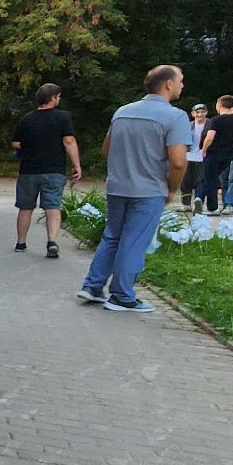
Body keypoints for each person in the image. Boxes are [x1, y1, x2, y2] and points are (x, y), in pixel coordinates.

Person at [77, 64, 190, 313]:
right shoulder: (176, 117)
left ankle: (93, 285)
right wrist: (172, 188)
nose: (183, 85)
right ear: (168, 84)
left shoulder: (122, 112)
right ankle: (122, 296)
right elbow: (179, 161)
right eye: (180, 80)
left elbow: (106, 150)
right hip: (149, 189)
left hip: (117, 185)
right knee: (134, 242)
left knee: (112, 236)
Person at [10, 83, 82, 256]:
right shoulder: (63, 117)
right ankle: (51, 242)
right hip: (53, 169)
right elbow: (69, 141)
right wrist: (76, 165)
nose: (59, 99)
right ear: (53, 98)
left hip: (28, 170)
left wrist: (28, 145)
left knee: (25, 207)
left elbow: (15, 142)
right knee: (52, 206)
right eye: (58, 96)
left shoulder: (27, 118)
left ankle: (21, 243)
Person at [196, 95, 233, 215]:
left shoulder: (216, 120)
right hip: (228, 155)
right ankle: (199, 197)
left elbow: (210, 137)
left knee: (211, 180)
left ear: (219, 105)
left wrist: (204, 149)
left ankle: (212, 207)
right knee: (208, 177)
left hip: (213, 154)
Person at [179, 102, 207, 209]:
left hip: (202, 157)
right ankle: (186, 204)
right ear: (193, 113)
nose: (200, 114)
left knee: (200, 180)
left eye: (202, 112)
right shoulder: (188, 125)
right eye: (197, 112)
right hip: (188, 156)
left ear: (206, 112)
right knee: (185, 181)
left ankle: (198, 201)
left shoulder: (210, 125)